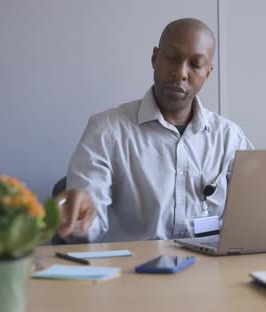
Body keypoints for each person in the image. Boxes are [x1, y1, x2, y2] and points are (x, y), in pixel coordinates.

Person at [56, 18, 253, 243]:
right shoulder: (107, 130)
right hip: (132, 271)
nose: (181, 73)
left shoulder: (230, 138)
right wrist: (78, 220)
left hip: (211, 271)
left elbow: (253, 216)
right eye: (171, 58)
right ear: (154, 58)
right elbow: (89, 221)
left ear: (208, 72)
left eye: (196, 65)